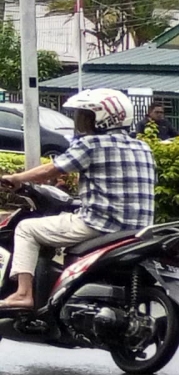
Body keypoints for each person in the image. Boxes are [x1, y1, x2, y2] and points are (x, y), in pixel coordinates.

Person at [0, 87, 157, 313]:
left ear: (103, 120)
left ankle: (23, 294)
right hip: (138, 229)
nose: (80, 122)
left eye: (85, 116)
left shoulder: (91, 144)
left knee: (26, 229)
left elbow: (52, 169)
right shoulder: (143, 147)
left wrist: (16, 178)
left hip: (99, 225)